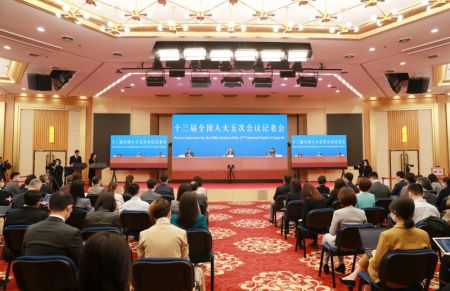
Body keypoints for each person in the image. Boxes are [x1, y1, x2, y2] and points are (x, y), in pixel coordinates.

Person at [341, 196, 431, 287]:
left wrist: (373, 255)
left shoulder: (387, 235)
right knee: (372, 253)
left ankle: (354, 276)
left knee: (371, 257)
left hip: (390, 281)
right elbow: (428, 261)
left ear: (395, 213)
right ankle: (353, 276)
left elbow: (376, 265)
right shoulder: (424, 234)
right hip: (415, 280)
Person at [137, 198, 205, 291]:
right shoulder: (181, 233)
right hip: (177, 282)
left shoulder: (143, 234)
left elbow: (141, 260)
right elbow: (186, 261)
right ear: (169, 213)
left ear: (152, 216)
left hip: (151, 281)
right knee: (200, 271)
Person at [22, 191, 84, 265]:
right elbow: (82, 262)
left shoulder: (30, 229)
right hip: (62, 275)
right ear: (69, 207)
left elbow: (24, 255)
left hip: (32, 275)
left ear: (49, 207)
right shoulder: (72, 233)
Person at [322, 188, 367, 274]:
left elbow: (332, 232)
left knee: (326, 236)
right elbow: (365, 231)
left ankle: (325, 264)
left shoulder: (338, 213)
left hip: (341, 246)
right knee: (341, 238)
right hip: (358, 245)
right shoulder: (362, 212)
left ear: (341, 199)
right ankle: (341, 264)